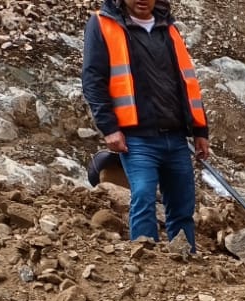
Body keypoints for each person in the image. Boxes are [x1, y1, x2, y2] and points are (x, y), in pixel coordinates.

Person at [81, 0, 210, 252]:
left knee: (183, 208)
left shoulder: (167, 27)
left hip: (175, 136)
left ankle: (187, 267)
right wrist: (109, 127)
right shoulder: (103, 24)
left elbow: (187, 83)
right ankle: (146, 265)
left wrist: (200, 130)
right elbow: (93, 80)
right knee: (143, 199)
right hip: (137, 137)